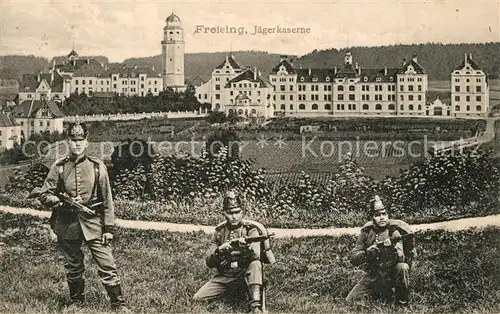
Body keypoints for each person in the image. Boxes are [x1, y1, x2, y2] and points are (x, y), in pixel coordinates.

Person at [31, 120, 128, 311]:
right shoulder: (59, 167)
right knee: (73, 265)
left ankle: (118, 304)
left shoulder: (97, 166)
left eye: (80, 140)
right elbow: (43, 193)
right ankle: (77, 303)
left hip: (93, 222)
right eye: (73, 139)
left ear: (86, 142)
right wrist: (58, 201)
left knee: (107, 264)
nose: (77, 143)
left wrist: (108, 228)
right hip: (67, 223)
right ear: (68, 141)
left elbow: (107, 200)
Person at [193, 191, 275, 313]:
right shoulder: (219, 232)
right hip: (226, 276)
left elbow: (256, 256)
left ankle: (255, 306)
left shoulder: (251, 230)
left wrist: (245, 248)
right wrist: (219, 250)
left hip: (245, 274)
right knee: (197, 298)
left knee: (255, 264)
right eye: (230, 213)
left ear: (242, 212)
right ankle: (234, 291)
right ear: (224, 213)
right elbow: (209, 262)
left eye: (237, 212)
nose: (234, 216)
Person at [345, 195, 415, 306]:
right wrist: (367, 253)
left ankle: (402, 302)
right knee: (350, 301)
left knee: (402, 267)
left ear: (388, 214)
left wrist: (392, 250)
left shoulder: (394, 230)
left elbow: (402, 258)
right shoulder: (366, 232)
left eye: (384, 214)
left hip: (391, 273)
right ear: (372, 216)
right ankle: (381, 293)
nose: (382, 218)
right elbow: (353, 259)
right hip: (374, 275)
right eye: (377, 215)